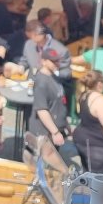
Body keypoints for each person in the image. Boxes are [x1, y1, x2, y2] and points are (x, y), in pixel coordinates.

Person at [28, 44, 71, 173]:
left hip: (54, 129)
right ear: (44, 61)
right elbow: (42, 110)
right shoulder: (41, 82)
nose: (57, 63)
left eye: (58, 60)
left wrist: (65, 124)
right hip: (44, 132)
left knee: (51, 168)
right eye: (53, 61)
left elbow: (59, 103)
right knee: (45, 168)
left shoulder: (54, 77)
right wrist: (55, 132)